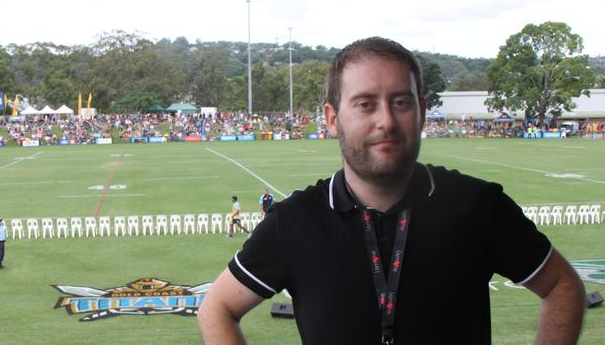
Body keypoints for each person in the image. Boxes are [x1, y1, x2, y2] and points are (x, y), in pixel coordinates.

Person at [198, 37, 586, 344]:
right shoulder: (295, 222)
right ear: (333, 119)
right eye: (365, 104)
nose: (386, 120)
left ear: (419, 110)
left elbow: (561, 285)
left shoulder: (479, 207)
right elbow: (216, 308)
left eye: (400, 102)